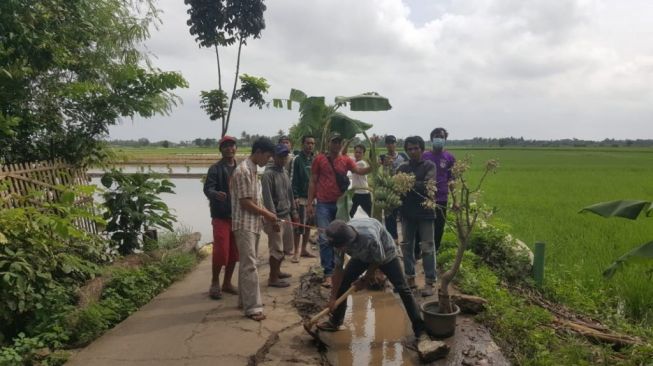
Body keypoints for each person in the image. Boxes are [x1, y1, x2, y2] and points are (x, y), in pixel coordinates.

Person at [316, 218, 426, 342]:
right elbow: (338, 269)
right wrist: (333, 297)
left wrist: (364, 279)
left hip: (386, 254)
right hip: (360, 256)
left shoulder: (369, 237)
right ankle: (335, 322)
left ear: (348, 241)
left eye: (343, 247)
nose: (341, 250)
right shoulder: (337, 240)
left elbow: (378, 260)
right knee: (343, 283)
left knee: (403, 288)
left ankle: (420, 329)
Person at [307, 133, 371, 288]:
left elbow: (359, 171)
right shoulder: (319, 159)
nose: (336, 145)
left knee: (342, 237)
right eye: (334, 142)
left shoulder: (346, 160)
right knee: (324, 237)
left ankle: (340, 269)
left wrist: (373, 165)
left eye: (339, 142)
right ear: (329, 143)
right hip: (322, 203)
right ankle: (328, 273)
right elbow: (313, 181)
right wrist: (310, 203)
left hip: (341, 204)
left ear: (341, 144)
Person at [231, 137, 278, 321]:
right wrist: (267, 215)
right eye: (267, 156)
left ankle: (244, 301)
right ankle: (253, 308)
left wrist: (269, 214)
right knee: (250, 265)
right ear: (258, 152)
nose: (268, 160)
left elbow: (256, 202)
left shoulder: (253, 171)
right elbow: (245, 203)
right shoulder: (243, 171)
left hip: (253, 224)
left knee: (247, 264)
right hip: (244, 225)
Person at [397, 136, 437, 297]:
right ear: (406, 150)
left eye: (416, 148)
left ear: (422, 149)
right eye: (409, 149)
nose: (413, 151)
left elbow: (429, 186)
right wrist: (414, 184)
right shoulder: (402, 167)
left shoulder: (429, 165)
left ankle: (429, 282)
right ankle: (410, 278)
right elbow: (397, 188)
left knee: (427, 247)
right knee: (407, 246)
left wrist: (408, 183)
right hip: (407, 213)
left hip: (425, 212)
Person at [203, 135, 238, 300]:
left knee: (234, 252)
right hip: (221, 216)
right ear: (221, 150)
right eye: (225, 146)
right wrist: (216, 194)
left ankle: (227, 282)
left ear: (235, 148)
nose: (229, 148)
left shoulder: (240, 168)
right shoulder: (215, 169)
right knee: (221, 251)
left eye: (232, 145)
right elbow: (207, 189)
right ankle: (215, 281)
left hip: (237, 216)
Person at [261, 143, 299, 288]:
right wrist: (273, 218)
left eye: (285, 156)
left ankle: (278, 271)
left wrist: (294, 212)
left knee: (285, 248)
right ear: (274, 157)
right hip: (274, 217)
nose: (283, 159)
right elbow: (267, 198)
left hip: (286, 214)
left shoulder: (284, 172)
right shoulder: (268, 175)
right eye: (281, 156)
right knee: (276, 249)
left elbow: (290, 194)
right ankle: (272, 278)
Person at [422, 127, 456, 252]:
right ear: (431, 139)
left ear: (445, 139)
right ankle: (424, 250)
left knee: (439, 227)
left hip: (442, 198)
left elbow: (451, 180)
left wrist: (456, 200)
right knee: (425, 225)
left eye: (441, 137)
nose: (439, 139)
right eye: (436, 136)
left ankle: (434, 251)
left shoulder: (449, 158)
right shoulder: (425, 156)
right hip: (426, 197)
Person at [291, 135, 317, 263]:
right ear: (303, 144)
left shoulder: (314, 159)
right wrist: (294, 196)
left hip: (312, 198)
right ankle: (296, 251)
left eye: (312, 143)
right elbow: (293, 179)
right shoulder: (297, 159)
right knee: (299, 226)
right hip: (300, 197)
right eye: (308, 143)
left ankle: (304, 249)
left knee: (308, 225)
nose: (310, 145)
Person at [378, 135, 408, 242]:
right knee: (390, 217)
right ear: (386, 145)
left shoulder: (403, 156)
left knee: (404, 216)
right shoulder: (382, 157)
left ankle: (406, 240)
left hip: (402, 190)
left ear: (396, 144)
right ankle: (393, 241)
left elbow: (409, 168)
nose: (391, 145)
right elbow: (376, 170)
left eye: (393, 143)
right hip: (388, 191)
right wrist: (384, 165)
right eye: (388, 143)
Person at [349, 144, 372, 217]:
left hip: (363, 193)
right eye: (356, 152)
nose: (357, 154)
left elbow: (353, 170)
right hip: (355, 192)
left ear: (363, 154)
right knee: (350, 213)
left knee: (371, 214)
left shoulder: (362, 163)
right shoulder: (354, 160)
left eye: (360, 152)